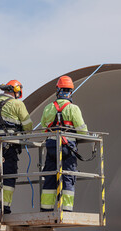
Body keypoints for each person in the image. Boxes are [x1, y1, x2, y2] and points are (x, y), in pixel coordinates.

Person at [40, 75, 88, 212]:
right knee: (68, 176)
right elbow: (82, 131)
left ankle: (46, 209)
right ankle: (66, 209)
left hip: (51, 147)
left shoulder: (48, 108)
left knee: (49, 176)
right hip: (68, 148)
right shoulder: (73, 109)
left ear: (58, 90)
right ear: (70, 92)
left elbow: (44, 127)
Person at [0, 80, 33, 214]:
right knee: (8, 175)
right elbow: (28, 126)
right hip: (9, 147)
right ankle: (4, 206)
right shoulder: (17, 104)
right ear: (16, 92)